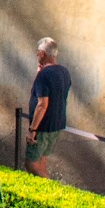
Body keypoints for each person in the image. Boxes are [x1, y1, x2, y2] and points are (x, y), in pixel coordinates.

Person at [25, 37, 72, 177]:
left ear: (42, 54)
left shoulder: (44, 75)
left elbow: (42, 104)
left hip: (43, 126)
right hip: (57, 123)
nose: (36, 55)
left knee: (31, 164)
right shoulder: (64, 72)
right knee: (42, 161)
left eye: (37, 53)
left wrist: (33, 129)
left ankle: (51, 188)